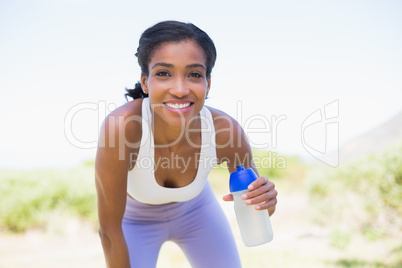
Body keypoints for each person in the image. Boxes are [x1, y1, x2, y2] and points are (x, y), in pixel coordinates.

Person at [95, 20, 278, 268]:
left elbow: (259, 211)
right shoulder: (122, 127)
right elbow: (109, 231)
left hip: (197, 214)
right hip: (135, 220)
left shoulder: (226, 132)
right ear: (146, 82)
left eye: (194, 74)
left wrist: (266, 201)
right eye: (163, 73)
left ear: (208, 83)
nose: (180, 89)